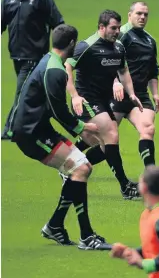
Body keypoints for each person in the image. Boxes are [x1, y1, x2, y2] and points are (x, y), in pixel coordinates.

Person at [10, 24, 111, 250]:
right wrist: (83, 127)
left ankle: (56, 226)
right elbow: (59, 111)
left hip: (39, 128)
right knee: (81, 169)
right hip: (31, 133)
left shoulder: (50, 61)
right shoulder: (55, 71)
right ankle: (86, 237)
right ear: (72, 44)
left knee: (79, 170)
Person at [74, 1, 159, 177]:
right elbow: (106, 63)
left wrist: (156, 93)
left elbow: (153, 69)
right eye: (139, 13)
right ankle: (75, 161)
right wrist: (115, 82)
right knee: (100, 138)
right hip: (116, 95)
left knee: (147, 129)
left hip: (138, 94)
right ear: (130, 15)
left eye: (145, 14)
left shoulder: (149, 40)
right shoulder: (119, 35)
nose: (142, 17)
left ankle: (150, 175)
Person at [65, 9, 143, 200]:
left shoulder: (118, 47)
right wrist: (74, 95)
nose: (117, 32)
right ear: (101, 27)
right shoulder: (86, 46)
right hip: (87, 99)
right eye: (113, 28)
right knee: (111, 134)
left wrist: (131, 93)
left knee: (101, 144)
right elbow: (66, 66)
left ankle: (69, 167)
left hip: (103, 100)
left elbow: (124, 71)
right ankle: (125, 187)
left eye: (118, 28)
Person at [1, 0, 64, 140]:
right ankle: (40, 125)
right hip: (16, 55)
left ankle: (10, 129)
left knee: (21, 93)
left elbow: (58, 23)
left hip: (34, 55)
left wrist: (57, 48)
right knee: (34, 92)